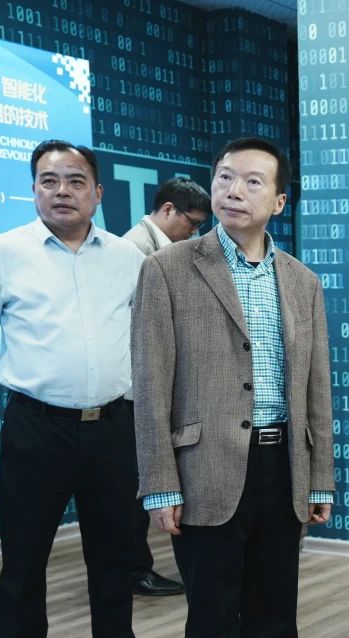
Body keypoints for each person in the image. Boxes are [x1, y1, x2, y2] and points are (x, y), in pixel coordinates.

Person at [132, 137, 336, 638]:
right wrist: (160, 482)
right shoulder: (168, 269)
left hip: (283, 465)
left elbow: (317, 388)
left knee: (275, 617)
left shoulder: (302, 281)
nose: (233, 190)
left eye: (252, 181)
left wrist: (320, 477)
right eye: (225, 177)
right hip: (204, 470)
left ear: (280, 201)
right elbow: (150, 384)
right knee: (214, 620)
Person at [0, 140, 161, 638]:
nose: (61, 191)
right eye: (48, 180)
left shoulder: (127, 258)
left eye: (74, 180)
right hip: (36, 427)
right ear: (34, 189)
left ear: (97, 192)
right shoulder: (1, 253)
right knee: (24, 560)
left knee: (116, 555)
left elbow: (148, 341)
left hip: (114, 427)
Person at [120, 177, 212, 597]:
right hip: (133, 389)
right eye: (191, 223)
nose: (193, 233)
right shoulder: (137, 251)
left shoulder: (163, 250)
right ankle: (134, 569)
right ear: (168, 209)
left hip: (155, 385)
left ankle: (137, 566)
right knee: (135, 487)